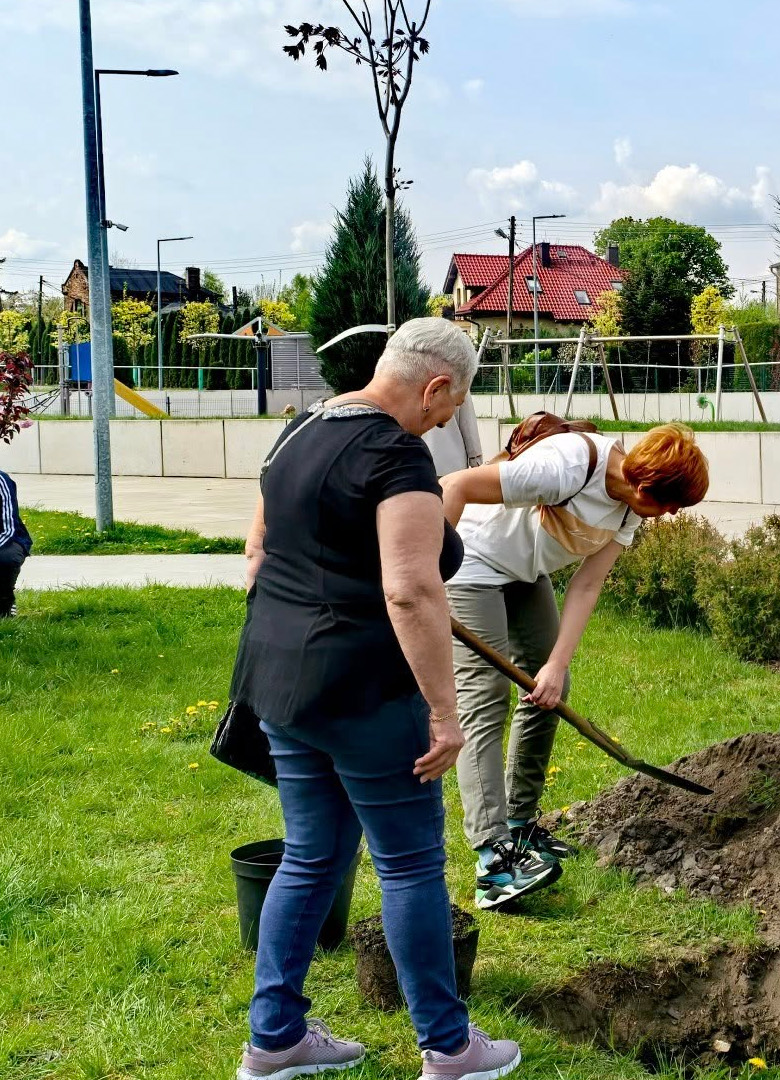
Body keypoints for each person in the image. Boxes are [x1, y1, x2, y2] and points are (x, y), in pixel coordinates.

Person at [230, 318, 521, 1080]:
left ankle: (275, 1038)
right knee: (411, 864)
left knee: (312, 854)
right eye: (450, 407)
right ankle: (450, 1048)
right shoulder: (395, 454)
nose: (445, 422)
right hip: (364, 692)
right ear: (435, 386)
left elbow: (256, 554)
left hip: (282, 684)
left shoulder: (299, 432)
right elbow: (411, 591)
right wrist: (444, 713)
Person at [439, 419, 709, 911]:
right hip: (473, 561)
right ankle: (492, 860)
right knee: (485, 699)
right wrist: (428, 579)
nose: (670, 515)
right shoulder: (568, 465)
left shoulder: (629, 511)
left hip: (525, 574)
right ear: (646, 485)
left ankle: (519, 824)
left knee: (549, 689)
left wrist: (557, 665)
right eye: (671, 504)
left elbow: (587, 585)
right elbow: (454, 485)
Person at [422, 396, 486, 477]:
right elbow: (468, 424)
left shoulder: (410, 388)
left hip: (420, 463)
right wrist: (476, 461)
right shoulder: (459, 387)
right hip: (454, 464)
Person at [0, 467, 29, 618]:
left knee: (6, 558)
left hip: (7, 539)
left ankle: (5, 602)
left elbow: (8, 529)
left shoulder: (1, 481)